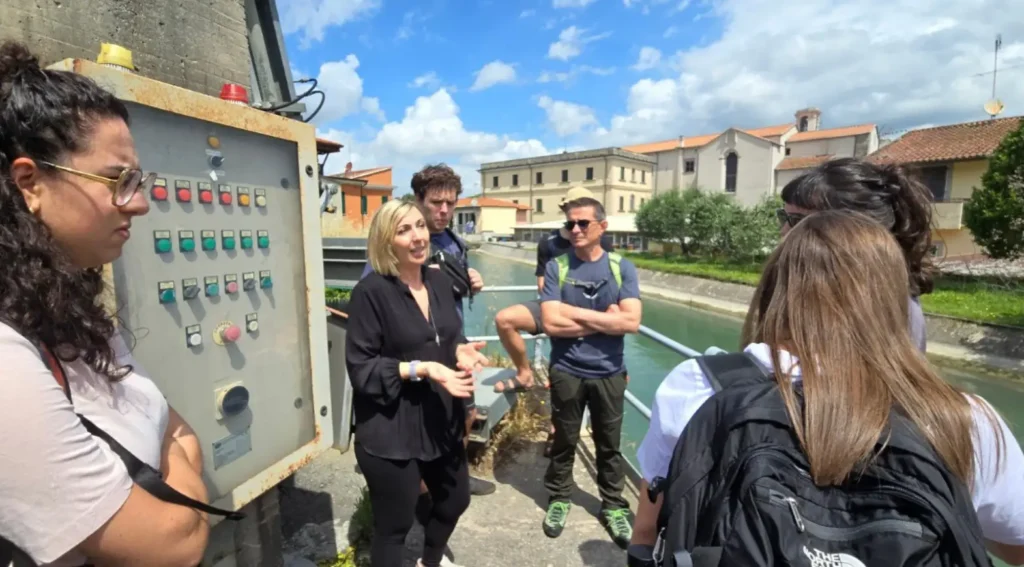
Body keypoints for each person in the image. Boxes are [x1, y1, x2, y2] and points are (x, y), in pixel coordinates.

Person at [631, 211, 1024, 565]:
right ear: (890, 298)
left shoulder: (698, 385)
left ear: (773, 288)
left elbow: (649, 527)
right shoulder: (966, 419)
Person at [0, 41, 211, 566]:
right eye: (119, 180)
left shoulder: (64, 309)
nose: (139, 203)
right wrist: (169, 450)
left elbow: (181, 429)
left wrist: (165, 451)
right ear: (30, 182)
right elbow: (174, 543)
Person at [346, 200, 489, 567]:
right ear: (385, 241)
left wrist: (462, 351)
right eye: (404, 230)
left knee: (455, 500)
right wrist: (422, 369)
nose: (418, 237)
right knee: (394, 525)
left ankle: (430, 560)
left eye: (420, 227)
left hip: (439, 418)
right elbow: (362, 369)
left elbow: (447, 336)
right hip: (390, 428)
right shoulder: (370, 293)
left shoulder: (439, 281)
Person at [360, 165, 496, 504]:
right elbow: (376, 289)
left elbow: (452, 297)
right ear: (418, 200)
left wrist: (470, 284)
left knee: (464, 414)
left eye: (450, 203)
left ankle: (452, 476)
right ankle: (416, 491)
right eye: (436, 203)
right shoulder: (398, 241)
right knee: (416, 426)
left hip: (454, 348)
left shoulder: (454, 243)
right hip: (414, 355)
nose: (444, 211)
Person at [538, 196, 642, 549]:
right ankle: (559, 498)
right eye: (570, 224)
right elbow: (551, 323)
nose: (576, 229)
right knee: (564, 439)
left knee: (609, 444)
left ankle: (613, 505)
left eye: (583, 223)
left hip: (609, 371)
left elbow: (632, 321)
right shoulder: (557, 266)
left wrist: (576, 314)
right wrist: (606, 321)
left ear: (602, 226)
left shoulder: (621, 267)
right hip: (567, 369)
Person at [778, 157, 935, 352]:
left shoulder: (873, 308)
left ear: (856, 230)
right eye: (784, 217)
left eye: (798, 220)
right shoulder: (853, 288)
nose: (784, 230)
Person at [493, 187, 615, 394]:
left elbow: (610, 284)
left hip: (590, 307)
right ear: (565, 209)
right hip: (555, 305)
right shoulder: (549, 243)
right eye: (572, 208)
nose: (578, 224)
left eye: (585, 219)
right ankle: (525, 374)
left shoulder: (603, 243)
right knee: (505, 320)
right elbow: (542, 283)